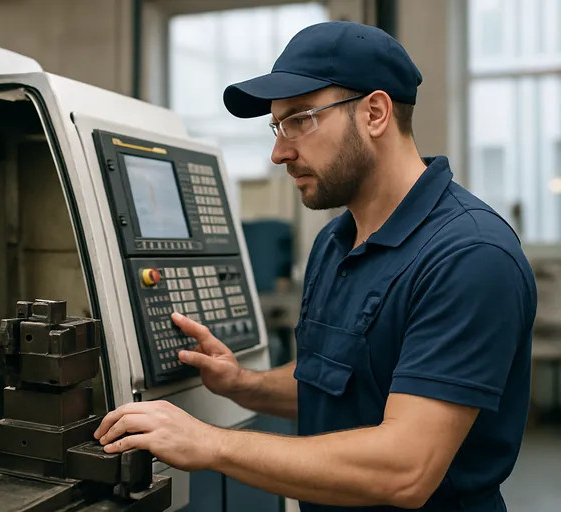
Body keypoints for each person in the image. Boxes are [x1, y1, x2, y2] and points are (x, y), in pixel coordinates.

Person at [93, 20, 537, 511]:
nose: (279, 152)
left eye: (300, 119)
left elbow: (406, 469)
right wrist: (245, 385)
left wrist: (210, 442)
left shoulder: (468, 256)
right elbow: (335, 385)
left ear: (374, 112)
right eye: (276, 126)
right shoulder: (335, 242)